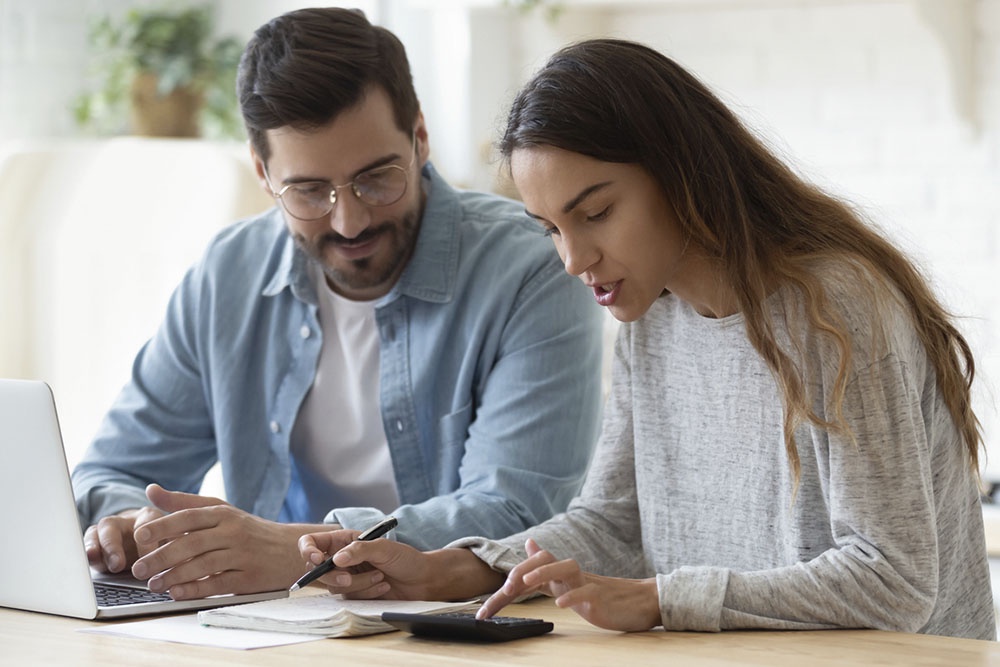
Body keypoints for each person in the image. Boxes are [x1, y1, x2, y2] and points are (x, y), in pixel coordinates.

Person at [296, 38, 996, 640]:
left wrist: (663, 598)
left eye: (595, 212)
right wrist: (459, 565)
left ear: (679, 173)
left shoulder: (834, 306)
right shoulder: (650, 316)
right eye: (550, 227)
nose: (573, 259)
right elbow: (617, 522)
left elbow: (894, 579)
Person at [70, 8, 604, 601]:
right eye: (309, 191)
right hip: (268, 625)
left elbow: (517, 511)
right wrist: (136, 527)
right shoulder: (229, 274)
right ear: (263, 172)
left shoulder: (532, 267)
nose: (349, 220)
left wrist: (293, 549)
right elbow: (109, 472)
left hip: (448, 622)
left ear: (420, 137)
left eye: (377, 178)